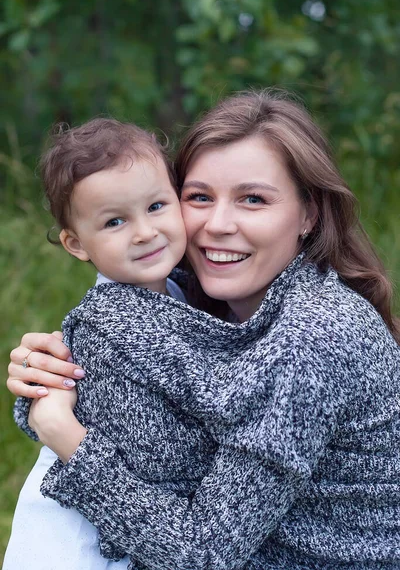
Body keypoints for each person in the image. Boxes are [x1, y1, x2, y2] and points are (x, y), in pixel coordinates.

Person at [7, 90, 400, 570]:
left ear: (308, 214)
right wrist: (48, 375)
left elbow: (201, 555)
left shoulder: (312, 338)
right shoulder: (201, 300)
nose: (217, 224)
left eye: (253, 199)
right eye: (199, 197)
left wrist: (63, 433)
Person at [4, 117, 190, 570]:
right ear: (75, 244)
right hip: (71, 541)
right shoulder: (108, 325)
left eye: (157, 206)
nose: (144, 232)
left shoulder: (177, 289)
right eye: (114, 221)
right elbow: (152, 452)